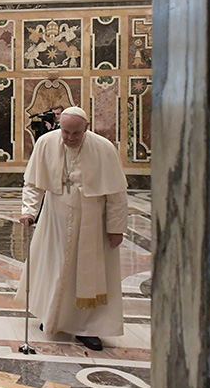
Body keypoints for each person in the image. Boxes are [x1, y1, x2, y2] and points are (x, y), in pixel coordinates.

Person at [15, 106, 129, 351]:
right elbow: (33, 184)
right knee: (54, 269)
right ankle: (52, 317)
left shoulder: (104, 148)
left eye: (75, 133)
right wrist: (28, 211)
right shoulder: (46, 143)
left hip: (92, 223)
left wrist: (116, 227)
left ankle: (88, 328)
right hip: (54, 221)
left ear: (86, 128)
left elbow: (117, 194)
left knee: (86, 274)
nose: (69, 138)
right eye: (65, 132)